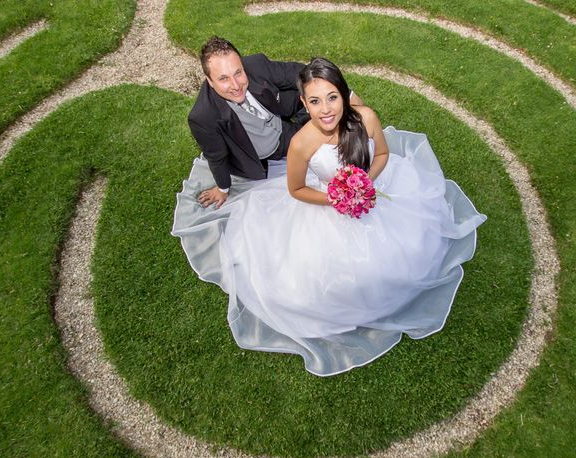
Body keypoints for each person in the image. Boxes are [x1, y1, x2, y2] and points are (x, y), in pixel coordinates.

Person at [173, 58, 486, 376]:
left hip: (373, 191)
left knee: (412, 248)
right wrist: (335, 199)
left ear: (344, 94)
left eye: (332, 97)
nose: (325, 109)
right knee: (315, 283)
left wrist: (367, 183)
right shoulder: (301, 143)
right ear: (303, 104)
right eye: (314, 101)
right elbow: (295, 189)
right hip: (327, 205)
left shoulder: (366, 117)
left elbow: (381, 154)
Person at [188, 36, 361, 209]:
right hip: (274, 143)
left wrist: (346, 94)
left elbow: (300, 73)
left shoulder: (257, 65)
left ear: (242, 64)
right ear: (210, 81)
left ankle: (308, 121)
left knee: (327, 110)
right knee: (322, 144)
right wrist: (223, 188)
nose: (235, 85)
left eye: (238, 73)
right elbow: (217, 158)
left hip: (282, 110)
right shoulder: (203, 117)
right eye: (223, 79)